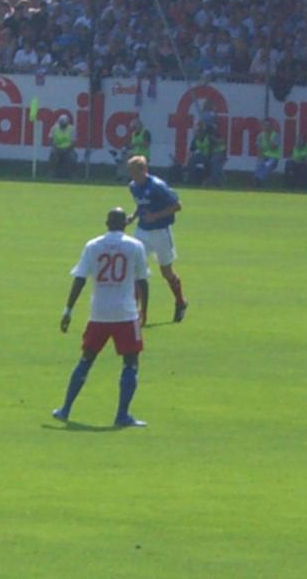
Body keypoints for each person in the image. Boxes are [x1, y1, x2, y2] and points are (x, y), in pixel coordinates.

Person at [52, 207, 150, 428]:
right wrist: (144, 309)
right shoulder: (135, 246)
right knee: (130, 363)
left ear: (106, 223)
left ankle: (65, 408)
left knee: (86, 359)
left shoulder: (93, 245)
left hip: (98, 313)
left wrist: (68, 310)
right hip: (125, 313)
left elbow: (80, 279)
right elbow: (143, 280)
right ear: (125, 223)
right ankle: (122, 415)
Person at [126, 155, 187, 322]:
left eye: (134, 172)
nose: (132, 176)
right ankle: (136, 312)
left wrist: (156, 216)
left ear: (144, 170)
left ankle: (180, 301)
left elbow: (177, 205)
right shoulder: (133, 186)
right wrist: (133, 216)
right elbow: (141, 204)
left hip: (160, 232)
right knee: (135, 269)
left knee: (166, 272)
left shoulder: (157, 186)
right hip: (142, 232)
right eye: (130, 172)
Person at [253, 120, 280, 187]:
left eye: (268, 126)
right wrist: (260, 157)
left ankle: (259, 180)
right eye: (265, 126)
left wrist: (268, 138)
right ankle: (257, 180)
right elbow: (259, 149)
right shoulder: (260, 136)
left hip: (273, 158)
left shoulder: (275, 135)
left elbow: (274, 147)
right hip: (264, 157)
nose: (266, 128)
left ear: (271, 127)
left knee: (267, 166)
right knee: (259, 164)